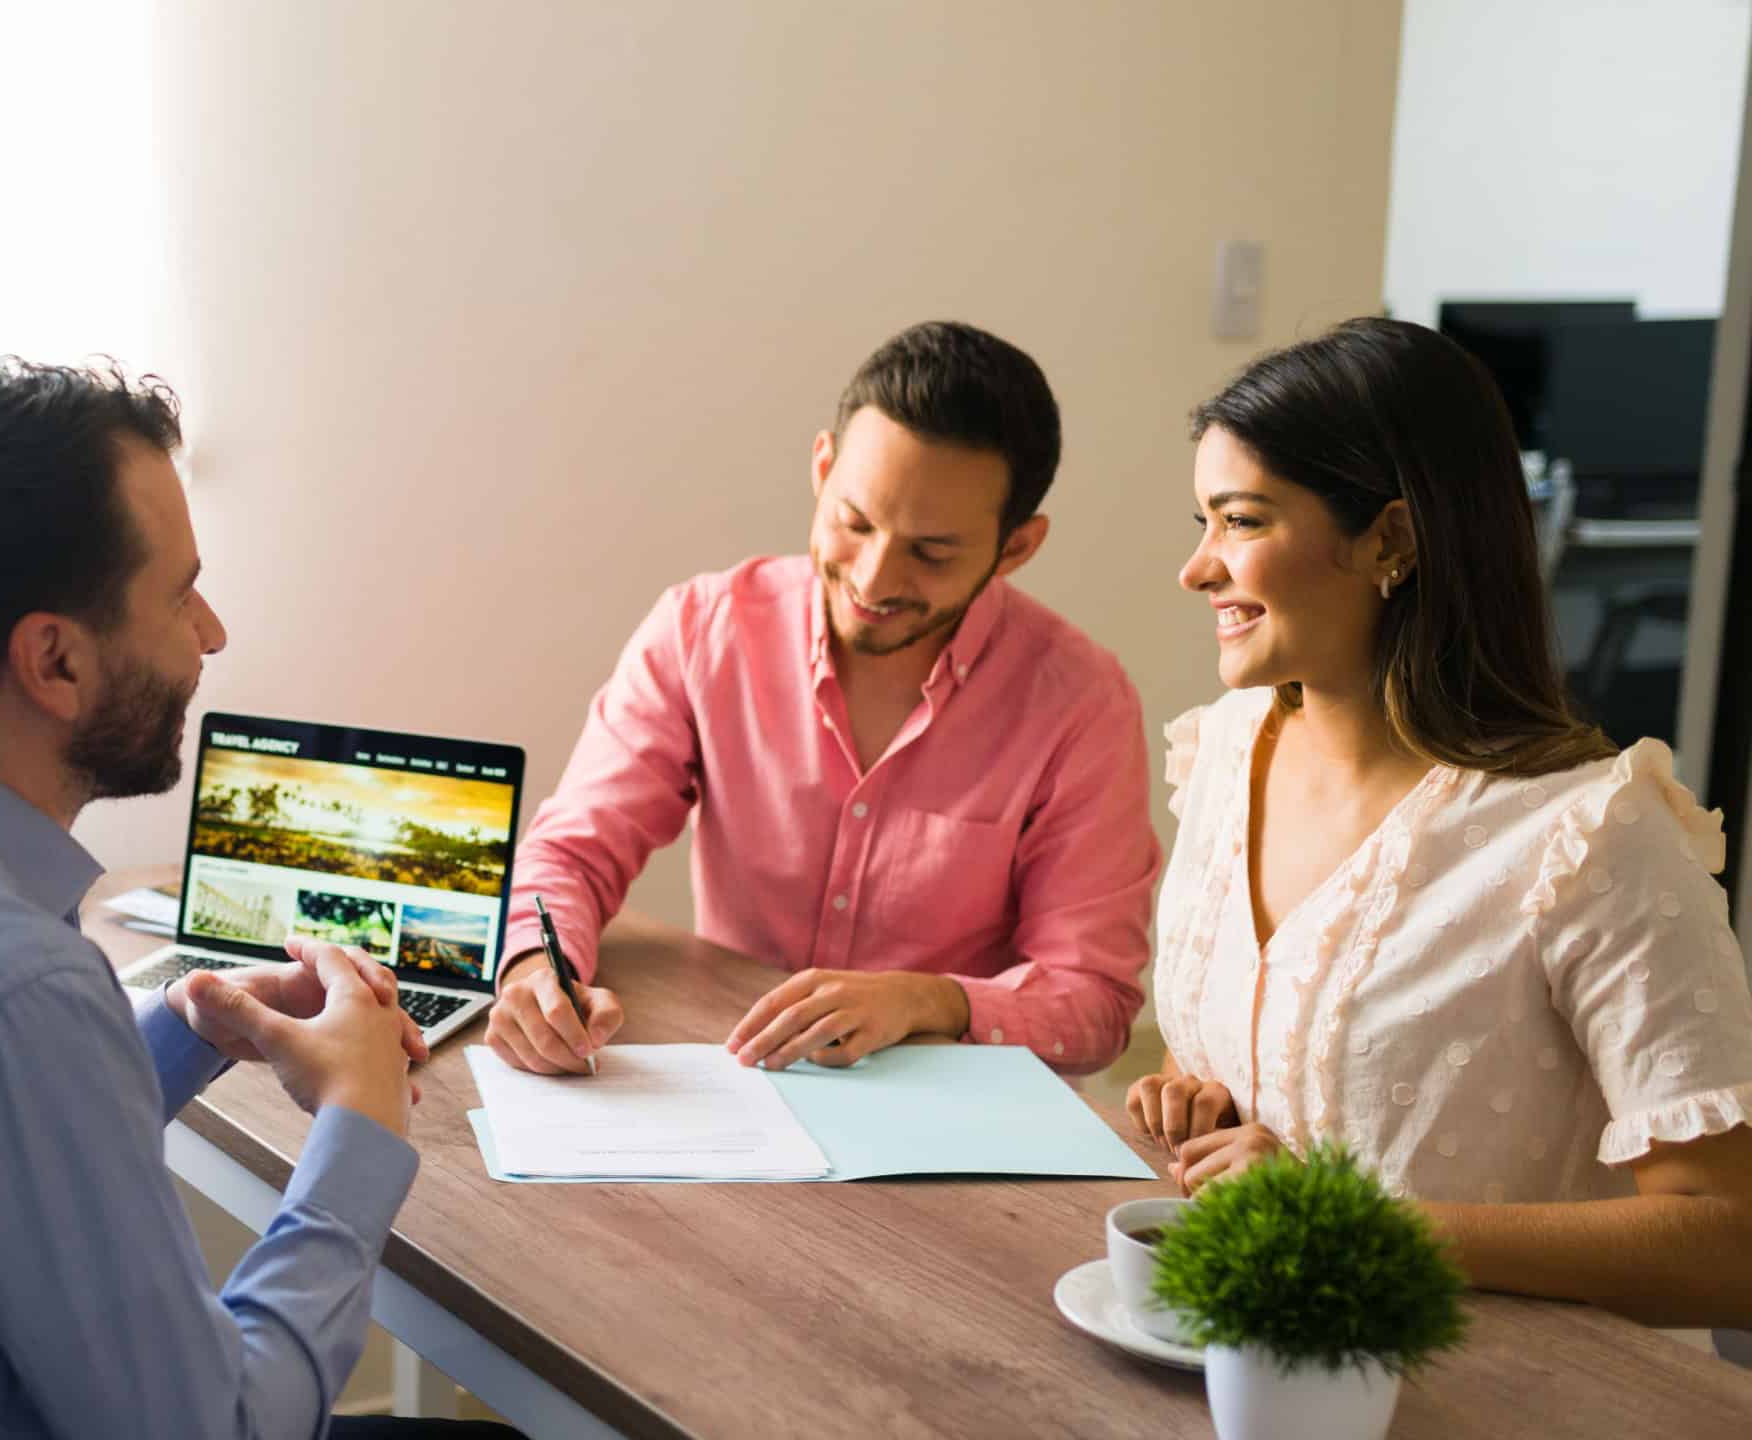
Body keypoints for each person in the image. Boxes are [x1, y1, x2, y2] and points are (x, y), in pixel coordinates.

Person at [0, 358, 518, 1436]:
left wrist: (193, 1025)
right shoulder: (9, 993)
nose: (211, 633)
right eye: (177, 591)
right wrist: (360, 1121)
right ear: (53, 660)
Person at [1129, 317, 1752, 1326]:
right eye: (1202, 521)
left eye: (1241, 521)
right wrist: (1189, 1088)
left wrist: (1356, 1222)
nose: (1197, 568)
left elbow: (1731, 1243)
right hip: (1240, 1358)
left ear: (1390, 537)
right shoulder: (1223, 752)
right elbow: (1285, 1042)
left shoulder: (1589, 837)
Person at [486, 321, 1162, 1077]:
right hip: (738, 1081)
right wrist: (531, 973)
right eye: (854, 522)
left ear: (1017, 548)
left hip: (942, 1113)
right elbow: (574, 853)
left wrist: (928, 1001)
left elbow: (1094, 1004)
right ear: (822, 467)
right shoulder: (704, 629)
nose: (874, 581)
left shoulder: (1081, 703)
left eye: (931, 553)